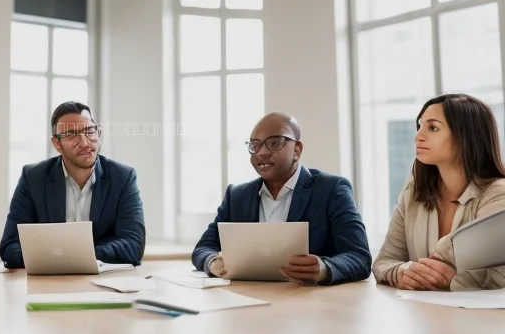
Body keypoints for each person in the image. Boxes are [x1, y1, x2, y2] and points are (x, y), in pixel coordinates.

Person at [193, 111, 371, 285]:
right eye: (255, 145)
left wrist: (325, 268)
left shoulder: (332, 189)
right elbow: (202, 248)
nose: (261, 152)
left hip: (309, 303)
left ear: (297, 149)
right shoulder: (237, 196)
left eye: (273, 143)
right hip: (249, 300)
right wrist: (213, 262)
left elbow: (359, 257)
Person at [373, 93, 505, 291]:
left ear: (465, 136)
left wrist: (453, 279)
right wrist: (405, 272)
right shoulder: (412, 194)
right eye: (420, 126)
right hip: (424, 315)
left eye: (432, 128)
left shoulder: (497, 194)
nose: (417, 136)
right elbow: (384, 261)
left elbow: (500, 275)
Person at [0, 101, 145, 269]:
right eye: (71, 135)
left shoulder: (123, 177)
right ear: (57, 144)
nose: (84, 142)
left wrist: (69, 256)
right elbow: (9, 247)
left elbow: (133, 246)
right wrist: (68, 257)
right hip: (47, 286)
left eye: (90, 131)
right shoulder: (33, 178)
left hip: (104, 285)